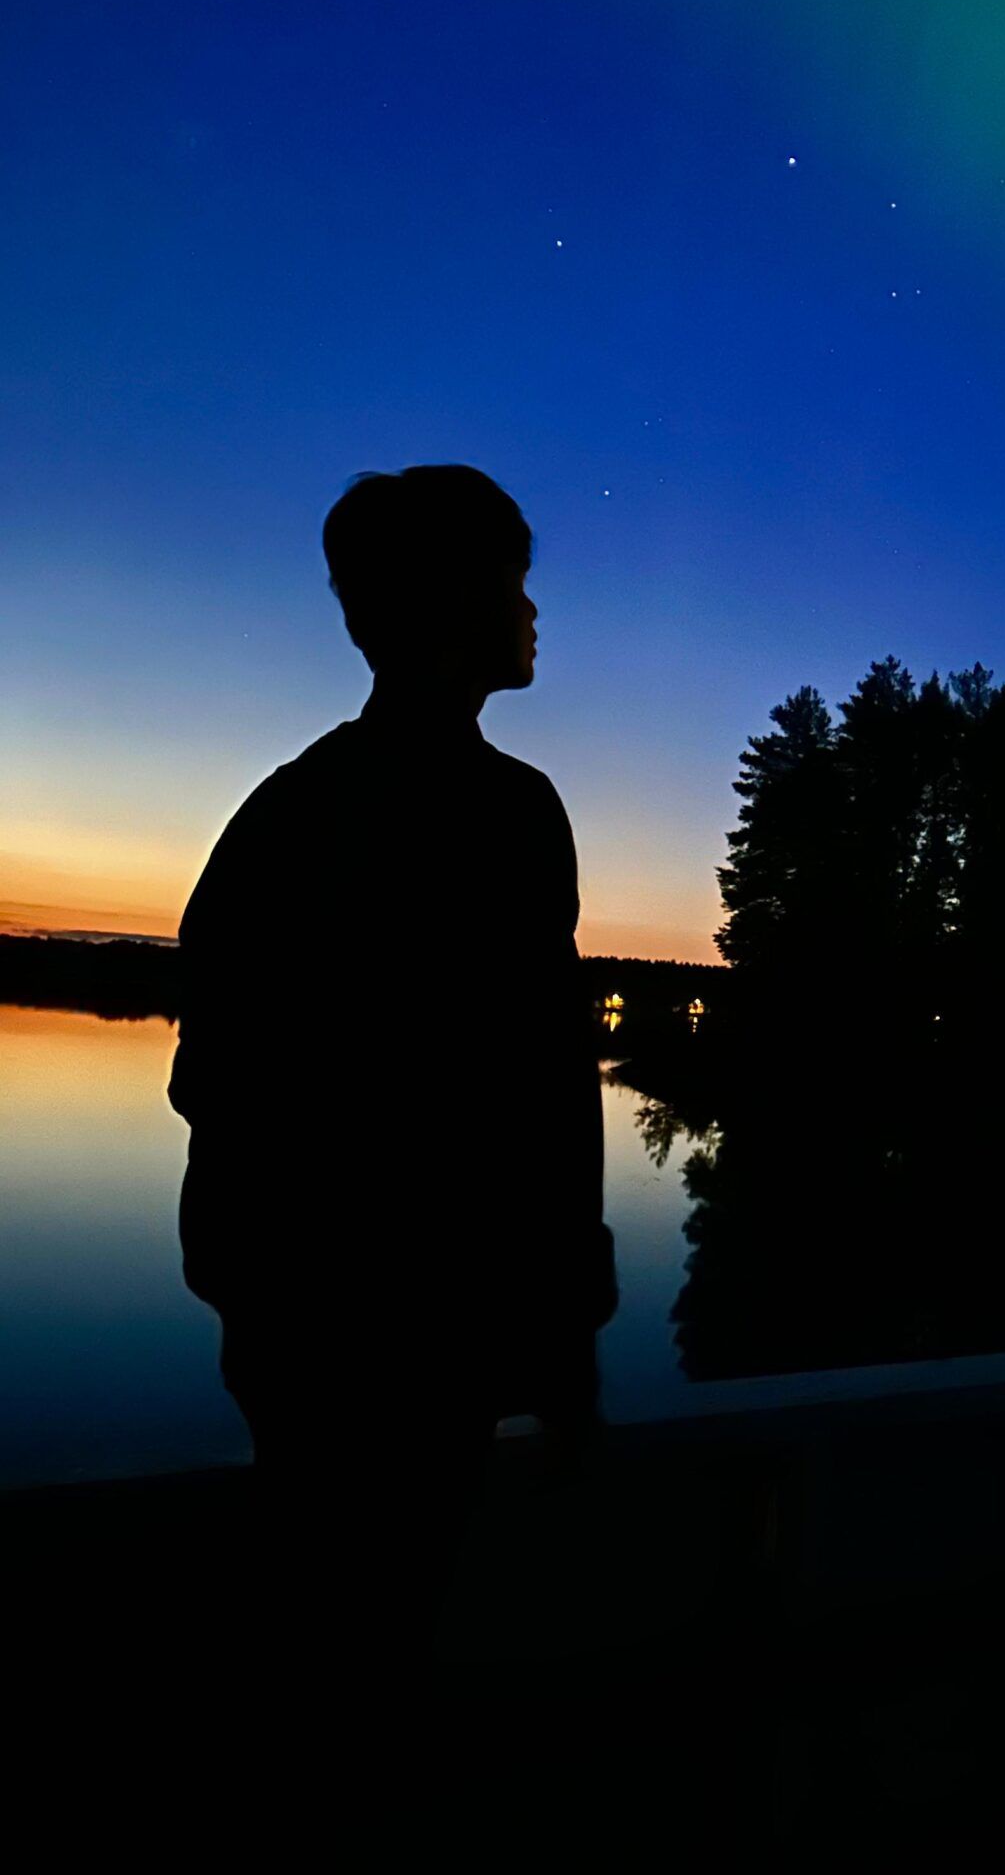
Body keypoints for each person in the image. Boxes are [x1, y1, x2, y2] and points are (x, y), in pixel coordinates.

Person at [169, 464, 616, 1740]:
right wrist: (561, 1343)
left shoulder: (289, 811)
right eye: (511, 583)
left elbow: (213, 1086)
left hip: (315, 1345)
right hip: (404, 1352)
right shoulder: (509, 816)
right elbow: (541, 1094)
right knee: (380, 1663)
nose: (534, 611)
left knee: (344, 1656)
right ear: (442, 605)